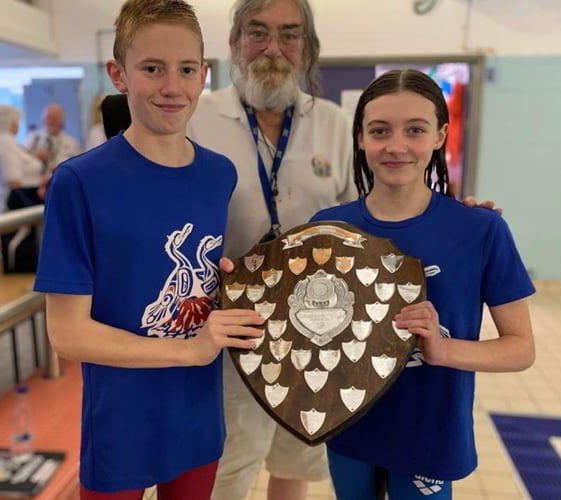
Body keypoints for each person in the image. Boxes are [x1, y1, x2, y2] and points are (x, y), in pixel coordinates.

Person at [33, 1, 263, 498]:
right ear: (119, 74)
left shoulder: (218, 174)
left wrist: (228, 291)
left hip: (198, 411)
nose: (172, 87)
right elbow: (67, 335)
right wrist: (189, 349)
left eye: (186, 70)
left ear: (204, 75)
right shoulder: (79, 182)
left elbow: (190, 278)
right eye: (152, 69)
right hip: (123, 418)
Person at [310, 69, 535, 499]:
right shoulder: (327, 229)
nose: (396, 146)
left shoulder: (480, 229)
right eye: (380, 131)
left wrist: (444, 348)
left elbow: (520, 347)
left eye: (415, 130)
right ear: (360, 137)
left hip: (429, 430)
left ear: (439, 136)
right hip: (350, 424)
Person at [186, 1, 355, 498]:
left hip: (316, 329)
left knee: (296, 461)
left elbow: (363, 219)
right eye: (258, 33)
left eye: (289, 35)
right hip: (231, 329)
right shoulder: (199, 117)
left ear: (307, 47)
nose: (273, 48)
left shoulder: (335, 124)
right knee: (226, 469)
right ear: (236, 43)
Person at [0, 104, 45, 215]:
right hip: (17, 205)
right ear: (12, 123)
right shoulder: (5, 143)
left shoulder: (7, 142)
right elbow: (13, 180)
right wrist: (30, 205)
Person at [25, 103, 81, 175]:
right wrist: (34, 156)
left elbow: (76, 167)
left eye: (54, 119)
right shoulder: (32, 139)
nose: (51, 121)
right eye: (48, 118)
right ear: (43, 119)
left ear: (62, 121)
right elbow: (25, 164)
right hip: (39, 182)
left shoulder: (72, 142)